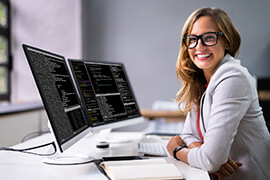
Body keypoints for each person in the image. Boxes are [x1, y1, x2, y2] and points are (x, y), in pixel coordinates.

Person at [166, 7, 270, 180]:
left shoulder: (233, 77)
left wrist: (176, 150)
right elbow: (188, 134)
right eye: (192, 39)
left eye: (208, 38)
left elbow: (209, 161)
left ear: (227, 41)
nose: (199, 46)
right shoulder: (201, 80)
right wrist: (203, 154)